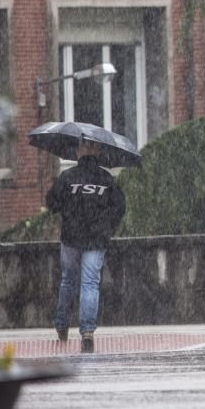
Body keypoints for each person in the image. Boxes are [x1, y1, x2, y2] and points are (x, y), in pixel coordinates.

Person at [48, 138, 126, 354]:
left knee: (68, 281)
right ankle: (87, 333)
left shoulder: (67, 177)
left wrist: (69, 209)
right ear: (99, 151)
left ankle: (62, 324)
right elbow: (119, 207)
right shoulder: (107, 179)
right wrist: (106, 227)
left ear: (80, 151)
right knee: (90, 282)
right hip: (96, 239)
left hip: (71, 237)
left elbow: (52, 202)